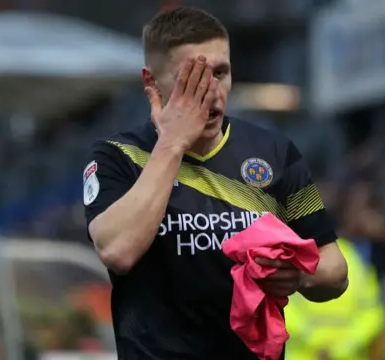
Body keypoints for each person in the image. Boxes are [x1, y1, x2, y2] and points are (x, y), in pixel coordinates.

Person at [83, 7, 348, 360]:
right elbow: (117, 251)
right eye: (190, 79)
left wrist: (297, 278)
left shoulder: (273, 151)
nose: (210, 94)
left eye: (220, 73)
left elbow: (335, 269)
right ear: (151, 82)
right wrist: (173, 143)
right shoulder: (118, 156)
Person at [285, 238, 385, 360]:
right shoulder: (352, 257)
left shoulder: (295, 255)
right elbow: (372, 313)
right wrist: (343, 346)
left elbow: (373, 313)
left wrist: (317, 342)